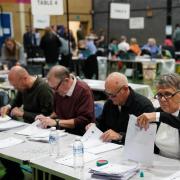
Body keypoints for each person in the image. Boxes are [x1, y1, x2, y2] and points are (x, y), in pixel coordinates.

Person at [0, 66, 54, 180]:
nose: (15, 88)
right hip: (27, 129)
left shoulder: (43, 89)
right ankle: (14, 172)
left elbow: (47, 118)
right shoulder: (23, 87)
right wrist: (8, 106)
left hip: (42, 132)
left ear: (24, 79)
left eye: (15, 85)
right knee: (3, 146)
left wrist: (23, 114)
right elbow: (17, 100)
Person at [86, 72, 155, 144]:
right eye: (107, 94)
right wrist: (94, 126)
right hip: (110, 146)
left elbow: (148, 137)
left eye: (113, 95)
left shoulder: (143, 106)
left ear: (125, 89)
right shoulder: (110, 103)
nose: (110, 98)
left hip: (133, 149)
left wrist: (120, 136)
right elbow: (102, 122)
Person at [36, 65, 95, 136]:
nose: (54, 92)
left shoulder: (83, 91)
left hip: (79, 135)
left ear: (66, 81)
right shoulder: (58, 90)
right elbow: (57, 112)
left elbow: (83, 121)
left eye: (55, 88)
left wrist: (57, 122)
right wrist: (47, 119)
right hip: (62, 133)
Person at [137, 73, 180, 159]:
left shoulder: (158, 115)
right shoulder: (159, 112)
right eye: (160, 95)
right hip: (159, 162)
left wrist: (158, 116)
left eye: (168, 94)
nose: (163, 99)